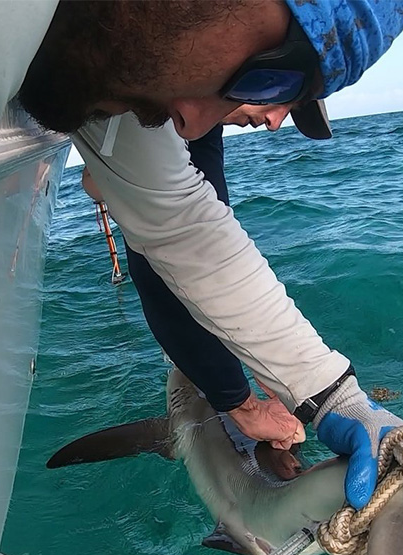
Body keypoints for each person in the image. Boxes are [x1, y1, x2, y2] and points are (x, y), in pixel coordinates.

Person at [0, 1, 403, 555]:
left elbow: (179, 223)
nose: (201, 129)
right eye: (272, 79)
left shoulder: (127, 46)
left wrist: (335, 398)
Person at [81, 103, 316, 450]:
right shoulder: (152, 105)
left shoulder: (204, 127)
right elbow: (173, 269)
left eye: (290, 111)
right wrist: (243, 406)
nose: (274, 123)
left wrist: (272, 368)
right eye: (280, 94)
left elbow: (204, 253)